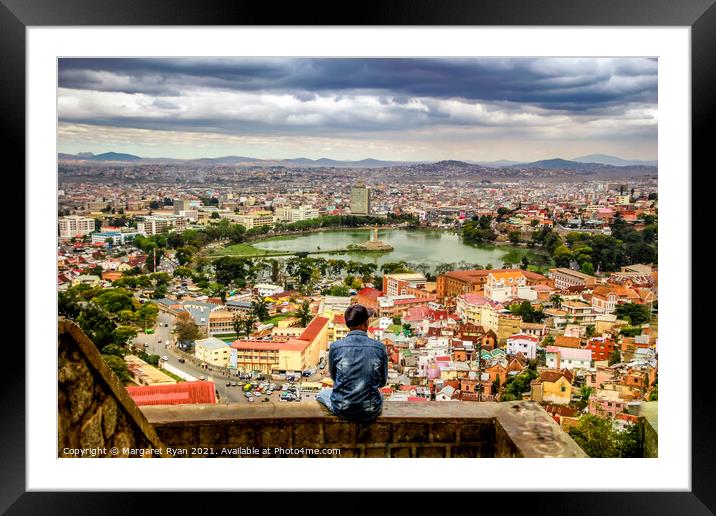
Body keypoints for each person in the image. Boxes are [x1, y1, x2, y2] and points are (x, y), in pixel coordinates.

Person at [316, 304, 388, 423]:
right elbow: (382, 382)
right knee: (378, 395)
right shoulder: (379, 348)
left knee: (322, 393)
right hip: (370, 410)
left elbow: (335, 378)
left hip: (343, 409)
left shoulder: (335, 347)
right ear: (366, 323)